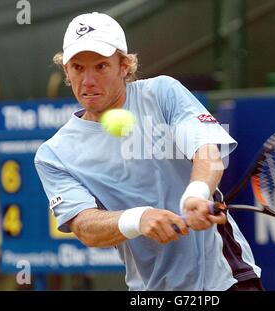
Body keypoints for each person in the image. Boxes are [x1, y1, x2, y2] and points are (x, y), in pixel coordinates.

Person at [34, 12, 262, 291]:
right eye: (78, 67)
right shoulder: (54, 154)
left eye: (101, 66)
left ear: (124, 66)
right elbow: (84, 226)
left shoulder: (163, 93)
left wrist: (196, 194)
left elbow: (208, 152)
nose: (88, 80)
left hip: (224, 280)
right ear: (66, 70)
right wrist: (138, 219)